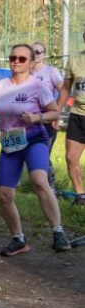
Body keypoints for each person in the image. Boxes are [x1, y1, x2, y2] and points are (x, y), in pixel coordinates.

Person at [0, 44, 71, 255]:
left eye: (21, 58)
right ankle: (18, 239)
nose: (16, 61)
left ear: (30, 62)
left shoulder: (37, 86)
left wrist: (38, 117)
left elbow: (54, 112)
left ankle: (58, 231)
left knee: (39, 180)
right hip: (11, 142)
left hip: (34, 138)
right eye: (13, 57)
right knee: (4, 195)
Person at [30, 42, 64, 188]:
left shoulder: (51, 71)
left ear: (44, 54)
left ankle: (49, 186)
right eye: (33, 51)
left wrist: (57, 112)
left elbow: (64, 91)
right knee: (27, 152)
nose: (36, 54)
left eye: (39, 51)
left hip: (47, 118)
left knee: (44, 153)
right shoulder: (25, 71)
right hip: (28, 119)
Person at [58, 35, 85, 205]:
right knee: (70, 157)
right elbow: (66, 88)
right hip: (77, 115)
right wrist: (56, 111)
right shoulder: (75, 59)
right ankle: (81, 196)